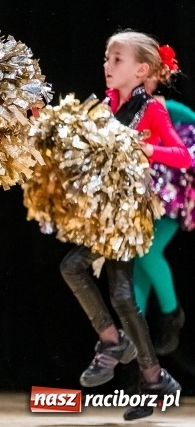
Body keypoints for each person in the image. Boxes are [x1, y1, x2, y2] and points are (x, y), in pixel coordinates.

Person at [59, 30, 188, 421]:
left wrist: (149, 148)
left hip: (131, 215)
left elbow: (183, 156)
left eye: (117, 59)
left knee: (75, 267)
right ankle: (152, 378)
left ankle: (113, 344)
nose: (107, 65)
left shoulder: (151, 109)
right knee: (120, 295)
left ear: (141, 69)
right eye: (106, 58)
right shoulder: (106, 105)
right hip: (108, 213)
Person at [136, 71, 194, 355]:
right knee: (137, 262)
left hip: (171, 200)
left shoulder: (170, 109)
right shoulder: (121, 112)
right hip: (138, 198)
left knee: (147, 253)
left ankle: (172, 315)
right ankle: (137, 342)